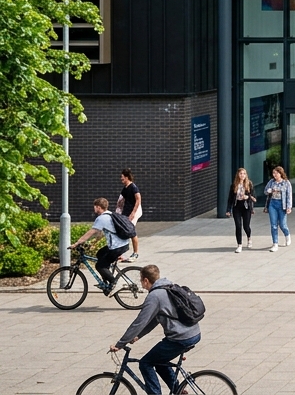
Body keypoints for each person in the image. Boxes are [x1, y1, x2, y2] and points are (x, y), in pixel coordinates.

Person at [112, 264, 200, 395]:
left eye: (141, 280)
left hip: (181, 337)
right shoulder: (168, 286)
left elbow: (139, 322)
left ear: (146, 280)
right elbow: (154, 319)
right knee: (159, 361)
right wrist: (138, 336)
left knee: (145, 363)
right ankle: (179, 390)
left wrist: (120, 343)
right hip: (193, 332)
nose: (141, 284)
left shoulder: (155, 296)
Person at [70, 198, 129, 295]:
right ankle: (106, 283)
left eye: (94, 207)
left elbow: (91, 232)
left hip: (117, 247)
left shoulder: (101, 218)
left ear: (98, 207)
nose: (94, 209)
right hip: (122, 244)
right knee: (100, 254)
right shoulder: (110, 214)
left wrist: (77, 243)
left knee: (99, 266)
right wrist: (93, 243)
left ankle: (115, 283)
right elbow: (101, 233)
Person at [225, 167, 256, 253]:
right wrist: (228, 210)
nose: (242, 175)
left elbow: (254, 198)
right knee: (238, 226)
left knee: (246, 226)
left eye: (244, 174)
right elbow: (230, 198)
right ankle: (239, 245)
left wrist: (247, 197)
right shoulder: (234, 185)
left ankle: (249, 238)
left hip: (246, 207)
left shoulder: (249, 184)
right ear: (238, 175)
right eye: (241, 174)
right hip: (237, 206)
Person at [116, 169, 142, 262]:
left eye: (122, 177)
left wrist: (133, 213)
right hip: (126, 212)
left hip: (132, 212)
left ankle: (135, 253)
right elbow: (120, 200)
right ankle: (120, 254)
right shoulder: (125, 188)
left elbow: (138, 199)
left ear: (126, 177)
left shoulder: (133, 187)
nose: (121, 179)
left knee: (131, 232)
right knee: (123, 232)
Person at [264, 166, 292, 251]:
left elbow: (289, 195)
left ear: (281, 173)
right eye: (273, 173)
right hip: (273, 204)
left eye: (276, 173)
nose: (274, 175)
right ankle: (275, 243)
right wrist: (269, 190)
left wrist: (289, 207)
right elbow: (265, 191)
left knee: (282, 224)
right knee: (273, 225)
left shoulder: (286, 183)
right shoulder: (271, 182)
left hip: (282, 204)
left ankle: (287, 235)